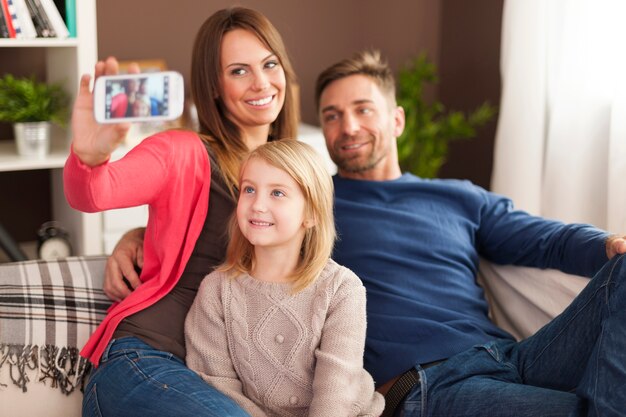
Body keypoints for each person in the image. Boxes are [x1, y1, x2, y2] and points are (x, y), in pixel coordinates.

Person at [111, 49, 626, 416]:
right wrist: (138, 233)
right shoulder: (309, 202)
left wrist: (606, 245)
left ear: (396, 120)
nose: (348, 126)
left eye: (363, 110)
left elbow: (545, 238)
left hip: (509, 355)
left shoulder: (459, 197)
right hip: (427, 382)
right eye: (332, 116)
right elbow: (233, 222)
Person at [64, 6, 298, 417]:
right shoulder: (183, 151)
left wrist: (142, 232)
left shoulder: (297, 173)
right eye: (239, 71)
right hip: (147, 360)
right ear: (213, 87)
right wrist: (89, 156)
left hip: (226, 379)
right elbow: (95, 194)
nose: (261, 82)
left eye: (269, 64)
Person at [185, 140, 384, 416]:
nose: (257, 205)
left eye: (277, 193)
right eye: (249, 189)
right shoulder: (217, 291)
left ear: (312, 213)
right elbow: (218, 386)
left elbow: (336, 390)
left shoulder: (342, 288)